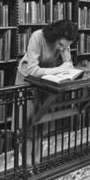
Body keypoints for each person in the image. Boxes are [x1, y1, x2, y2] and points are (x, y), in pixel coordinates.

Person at [14, 19, 79, 166]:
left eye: (66, 46)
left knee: (40, 123)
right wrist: (60, 69)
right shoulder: (37, 37)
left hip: (46, 83)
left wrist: (66, 63)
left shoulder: (63, 44)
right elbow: (33, 70)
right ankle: (26, 164)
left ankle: (37, 162)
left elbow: (68, 64)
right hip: (27, 82)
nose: (62, 48)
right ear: (54, 35)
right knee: (27, 123)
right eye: (61, 45)